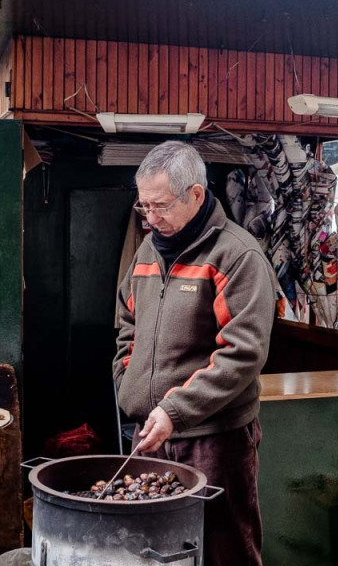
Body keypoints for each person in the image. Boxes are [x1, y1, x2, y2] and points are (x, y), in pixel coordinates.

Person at [113, 141, 276, 566]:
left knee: (224, 550)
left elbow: (242, 353)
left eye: (161, 206)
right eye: (143, 206)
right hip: (151, 435)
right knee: (154, 550)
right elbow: (127, 326)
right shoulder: (148, 252)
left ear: (196, 196)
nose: (150, 218)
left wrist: (176, 410)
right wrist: (128, 386)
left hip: (213, 439)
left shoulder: (237, 256)